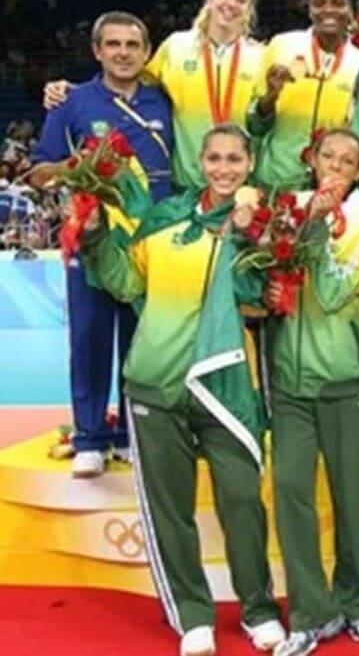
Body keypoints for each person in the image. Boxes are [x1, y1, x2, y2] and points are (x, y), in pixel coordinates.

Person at [78, 124, 284, 656]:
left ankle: (258, 608)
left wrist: (241, 237)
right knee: (170, 509)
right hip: (155, 384)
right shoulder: (165, 218)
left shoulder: (261, 228)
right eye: (214, 157)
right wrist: (97, 233)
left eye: (234, 159)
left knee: (243, 500)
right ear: (199, 161)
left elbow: (260, 298)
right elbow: (123, 283)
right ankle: (192, 615)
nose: (223, 168)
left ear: (250, 162)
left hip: (227, 389)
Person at [28, 11, 174, 478]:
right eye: (113, 44)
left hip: (147, 244)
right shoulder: (71, 102)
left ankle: (133, 433)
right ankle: (90, 435)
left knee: (142, 343)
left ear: (147, 52)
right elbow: (39, 170)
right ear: (97, 51)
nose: (123, 53)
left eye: (133, 45)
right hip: (92, 238)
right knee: (89, 338)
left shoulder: (164, 102)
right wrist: (81, 174)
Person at [266, 129, 359, 656]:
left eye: (348, 161)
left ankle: (355, 600)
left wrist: (312, 225)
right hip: (290, 382)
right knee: (291, 492)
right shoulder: (286, 208)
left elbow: (335, 290)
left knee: (349, 499)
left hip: (347, 380)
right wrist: (268, 288)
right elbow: (267, 275)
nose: (336, 167)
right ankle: (311, 611)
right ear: (312, 159)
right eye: (329, 157)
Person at [43, 0, 263, 191]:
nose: (231, 3)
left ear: (249, 10)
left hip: (237, 183)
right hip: (185, 185)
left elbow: (264, 119)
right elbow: (130, 78)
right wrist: (76, 91)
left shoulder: (261, 56)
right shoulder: (176, 46)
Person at [250, 0, 359, 191]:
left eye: (338, 2)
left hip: (328, 185)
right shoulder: (281, 46)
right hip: (276, 178)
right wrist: (271, 96)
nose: (329, 10)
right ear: (309, 8)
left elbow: (356, 132)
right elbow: (254, 124)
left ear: (350, 9)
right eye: (319, 3)